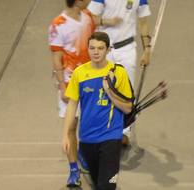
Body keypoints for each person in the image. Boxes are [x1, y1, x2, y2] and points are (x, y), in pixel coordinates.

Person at [62, 32, 133, 190]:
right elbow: (72, 105)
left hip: (110, 138)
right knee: (97, 184)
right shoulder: (79, 73)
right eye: (92, 48)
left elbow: (128, 107)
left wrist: (110, 92)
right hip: (87, 140)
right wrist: (65, 135)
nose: (96, 52)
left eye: (100, 48)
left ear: (108, 50)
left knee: (106, 187)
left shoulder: (118, 73)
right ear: (87, 49)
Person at [87, 0, 153, 145]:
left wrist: (147, 49)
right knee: (101, 90)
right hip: (104, 49)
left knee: (126, 92)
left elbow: (143, 21)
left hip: (127, 49)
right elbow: (89, 17)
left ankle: (124, 131)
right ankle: (101, 128)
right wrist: (107, 21)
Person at [48, 0, 94, 187]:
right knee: (71, 127)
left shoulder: (88, 17)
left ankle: (82, 152)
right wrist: (62, 87)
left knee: (88, 125)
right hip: (70, 82)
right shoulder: (58, 24)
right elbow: (56, 58)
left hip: (90, 81)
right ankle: (74, 169)